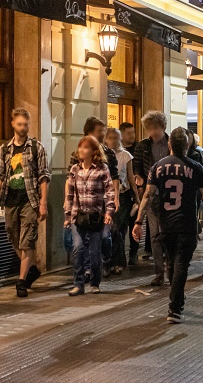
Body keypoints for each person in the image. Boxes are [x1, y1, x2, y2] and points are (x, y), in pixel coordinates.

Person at [133, 127, 203, 323]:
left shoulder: (157, 167)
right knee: (181, 264)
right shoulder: (196, 167)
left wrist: (139, 221)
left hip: (166, 224)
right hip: (187, 223)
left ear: (170, 145)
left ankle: (177, 297)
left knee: (172, 262)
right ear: (188, 145)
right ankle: (174, 308)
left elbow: (147, 196)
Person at [0, 108, 51, 298]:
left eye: (26, 124)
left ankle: (21, 281)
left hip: (30, 200)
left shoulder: (36, 147)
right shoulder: (4, 149)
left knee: (28, 239)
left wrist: (43, 203)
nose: (23, 127)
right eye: (19, 124)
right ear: (13, 124)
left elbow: (44, 176)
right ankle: (31, 270)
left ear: (29, 125)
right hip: (10, 200)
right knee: (13, 236)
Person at [69, 117, 120, 277]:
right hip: (82, 206)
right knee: (79, 242)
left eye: (104, 132)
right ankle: (87, 270)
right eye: (100, 132)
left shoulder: (109, 154)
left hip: (102, 205)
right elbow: (69, 181)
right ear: (89, 133)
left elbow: (115, 177)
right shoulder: (77, 154)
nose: (102, 135)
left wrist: (115, 198)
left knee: (105, 237)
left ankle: (104, 259)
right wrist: (68, 203)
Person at [64, 136, 115, 296]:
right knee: (78, 248)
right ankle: (78, 284)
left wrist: (109, 212)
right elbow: (70, 194)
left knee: (94, 251)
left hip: (96, 216)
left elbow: (109, 191)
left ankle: (95, 282)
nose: (81, 151)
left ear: (93, 152)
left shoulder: (102, 169)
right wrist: (67, 216)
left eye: (85, 148)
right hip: (78, 216)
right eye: (80, 147)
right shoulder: (75, 170)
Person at [133, 110, 170, 285]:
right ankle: (158, 273)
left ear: (163, 127)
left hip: (170, 195)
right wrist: (139, 178)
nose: (153, 132)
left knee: (169, 234)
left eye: (156, 128)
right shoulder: (142, 146)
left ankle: (170, 268)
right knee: (154, 235)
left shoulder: (172, 143)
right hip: (152, 194)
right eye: (150, 128)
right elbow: (137, 166)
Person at [106, 127, 140, 271]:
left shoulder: (125, 155)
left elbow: (131, 178)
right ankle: (109, 261)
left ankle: (118, 262)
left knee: (118, 228)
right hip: (106, 196)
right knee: (108, 229)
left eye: (116, 137)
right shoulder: (102, 155)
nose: (114, 140)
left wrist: (137, 198)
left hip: (123, 195)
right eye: (111, 137)